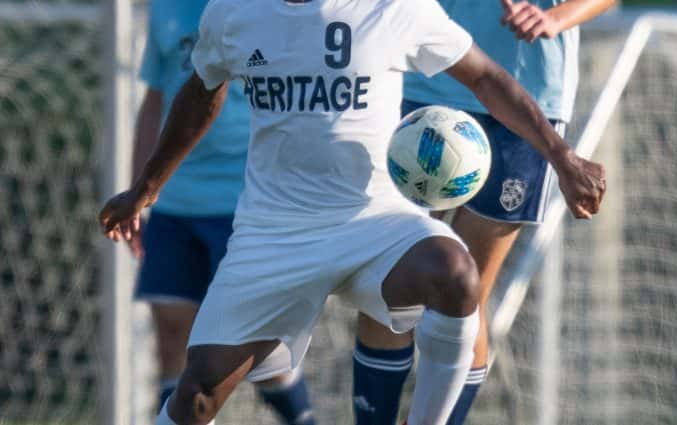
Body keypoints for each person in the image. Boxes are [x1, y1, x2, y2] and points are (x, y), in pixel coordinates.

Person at [99, 0, 606, 424]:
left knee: (455, 274)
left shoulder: (394, 7)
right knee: (196, 396)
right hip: (273, 235)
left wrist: (563, 156)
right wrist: (145, 187)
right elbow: (200, 91)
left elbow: (488, 78)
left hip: (376, 222)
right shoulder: (234, 10)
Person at [351, 0, 615, 423]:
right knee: (387, 280)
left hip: (527, 98)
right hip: (424, 79)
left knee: (467, 295)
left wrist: (554, 18)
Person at [130, 1, 314, 423]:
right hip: (176, 202)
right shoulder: (167, 9)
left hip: (248, 201)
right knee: (172, 337)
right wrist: (140, 193)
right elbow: (155, 99)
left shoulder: (269, 10)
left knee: (256, 354)